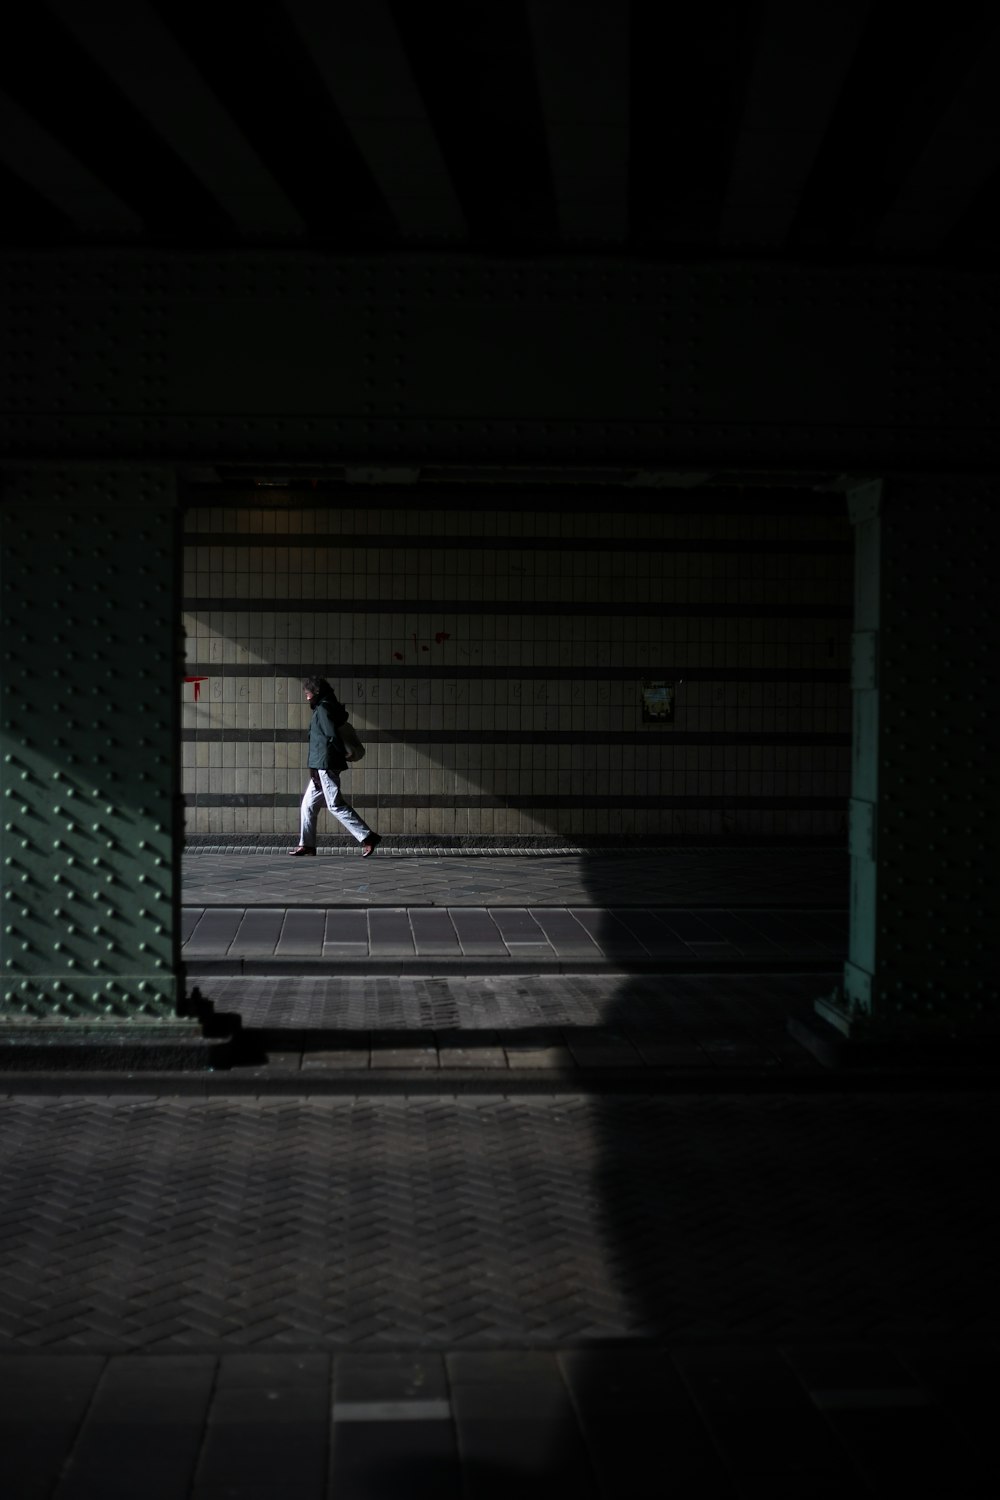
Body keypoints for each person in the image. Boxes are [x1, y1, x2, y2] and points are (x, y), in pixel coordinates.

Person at [288, 676, 380, 856]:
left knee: (335, 805)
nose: (306, 697)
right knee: (307, 805)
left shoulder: (323, 708)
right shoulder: (328, 705)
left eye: (307, 693)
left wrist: (340, 751)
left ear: (315, 693)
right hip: (321, 764)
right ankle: (307, 844)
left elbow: (330, 734)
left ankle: (368, 837)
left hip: (326, 764)